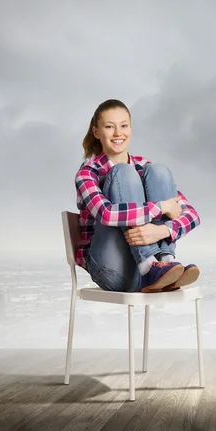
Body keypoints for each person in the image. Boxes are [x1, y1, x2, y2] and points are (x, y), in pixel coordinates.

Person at [74, 98, 201, 293]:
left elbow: (192, 215)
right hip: (112, 269)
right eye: (109, 126)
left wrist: (162, 231)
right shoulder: (88, 172)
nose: (118, 133)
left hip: (157, 273)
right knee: (123, 172)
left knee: (159, 171)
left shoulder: (144, 166)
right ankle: (148, 264)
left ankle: (165, 261)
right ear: (96, 132)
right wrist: (161, 208)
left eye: (123, 126)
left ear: (131, 128)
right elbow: (106, 214)